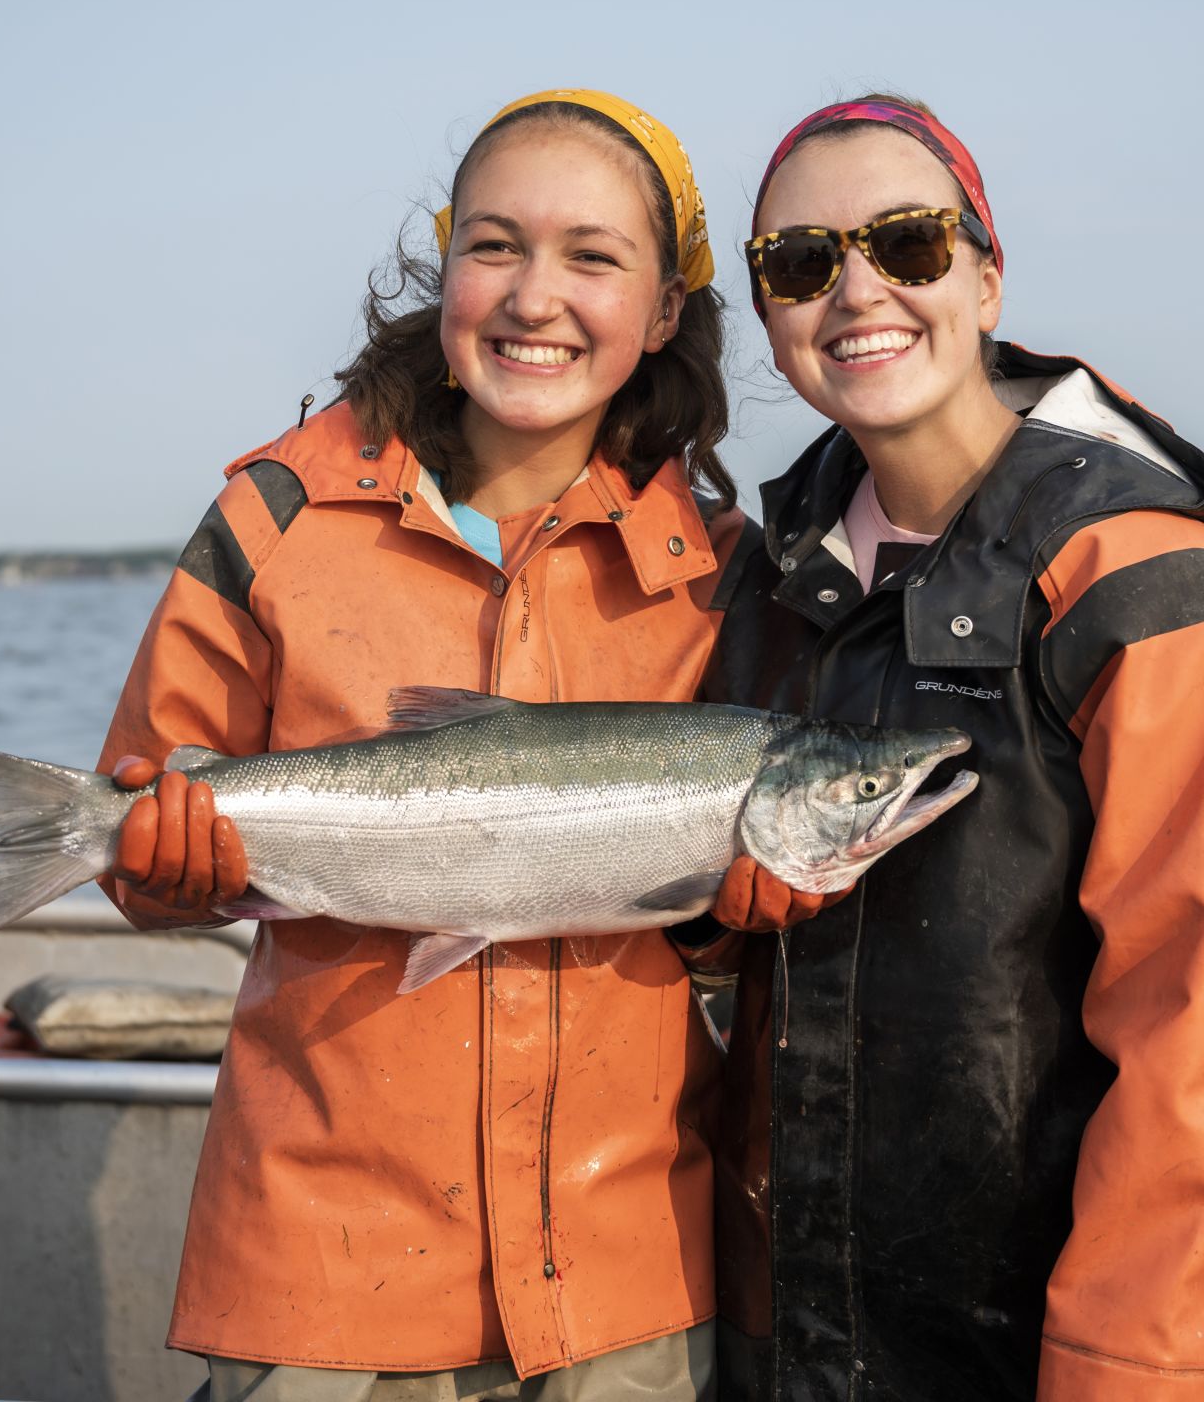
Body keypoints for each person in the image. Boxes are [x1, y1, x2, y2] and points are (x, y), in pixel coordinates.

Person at [95, 89, 744, 1400]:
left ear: (665, 310)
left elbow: (725, 944)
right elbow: (139, 835)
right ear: (443, 266)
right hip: (322, 1266)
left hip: (627, 1275)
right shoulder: (273, 517)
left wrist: (746, 909)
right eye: (494, 246)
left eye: (593, 258)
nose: (532, 296)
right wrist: (158, 861)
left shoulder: (719, 575)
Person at [696, 95, 1204, 1400]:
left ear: (986, 270)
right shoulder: (764, 576)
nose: (855, 292)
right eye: (799, 263)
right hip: (786, 1328)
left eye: (905, 242)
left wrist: (1125, 1369)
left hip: (1025, 1347)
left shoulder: (1132, 564)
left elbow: (1191, 1019)